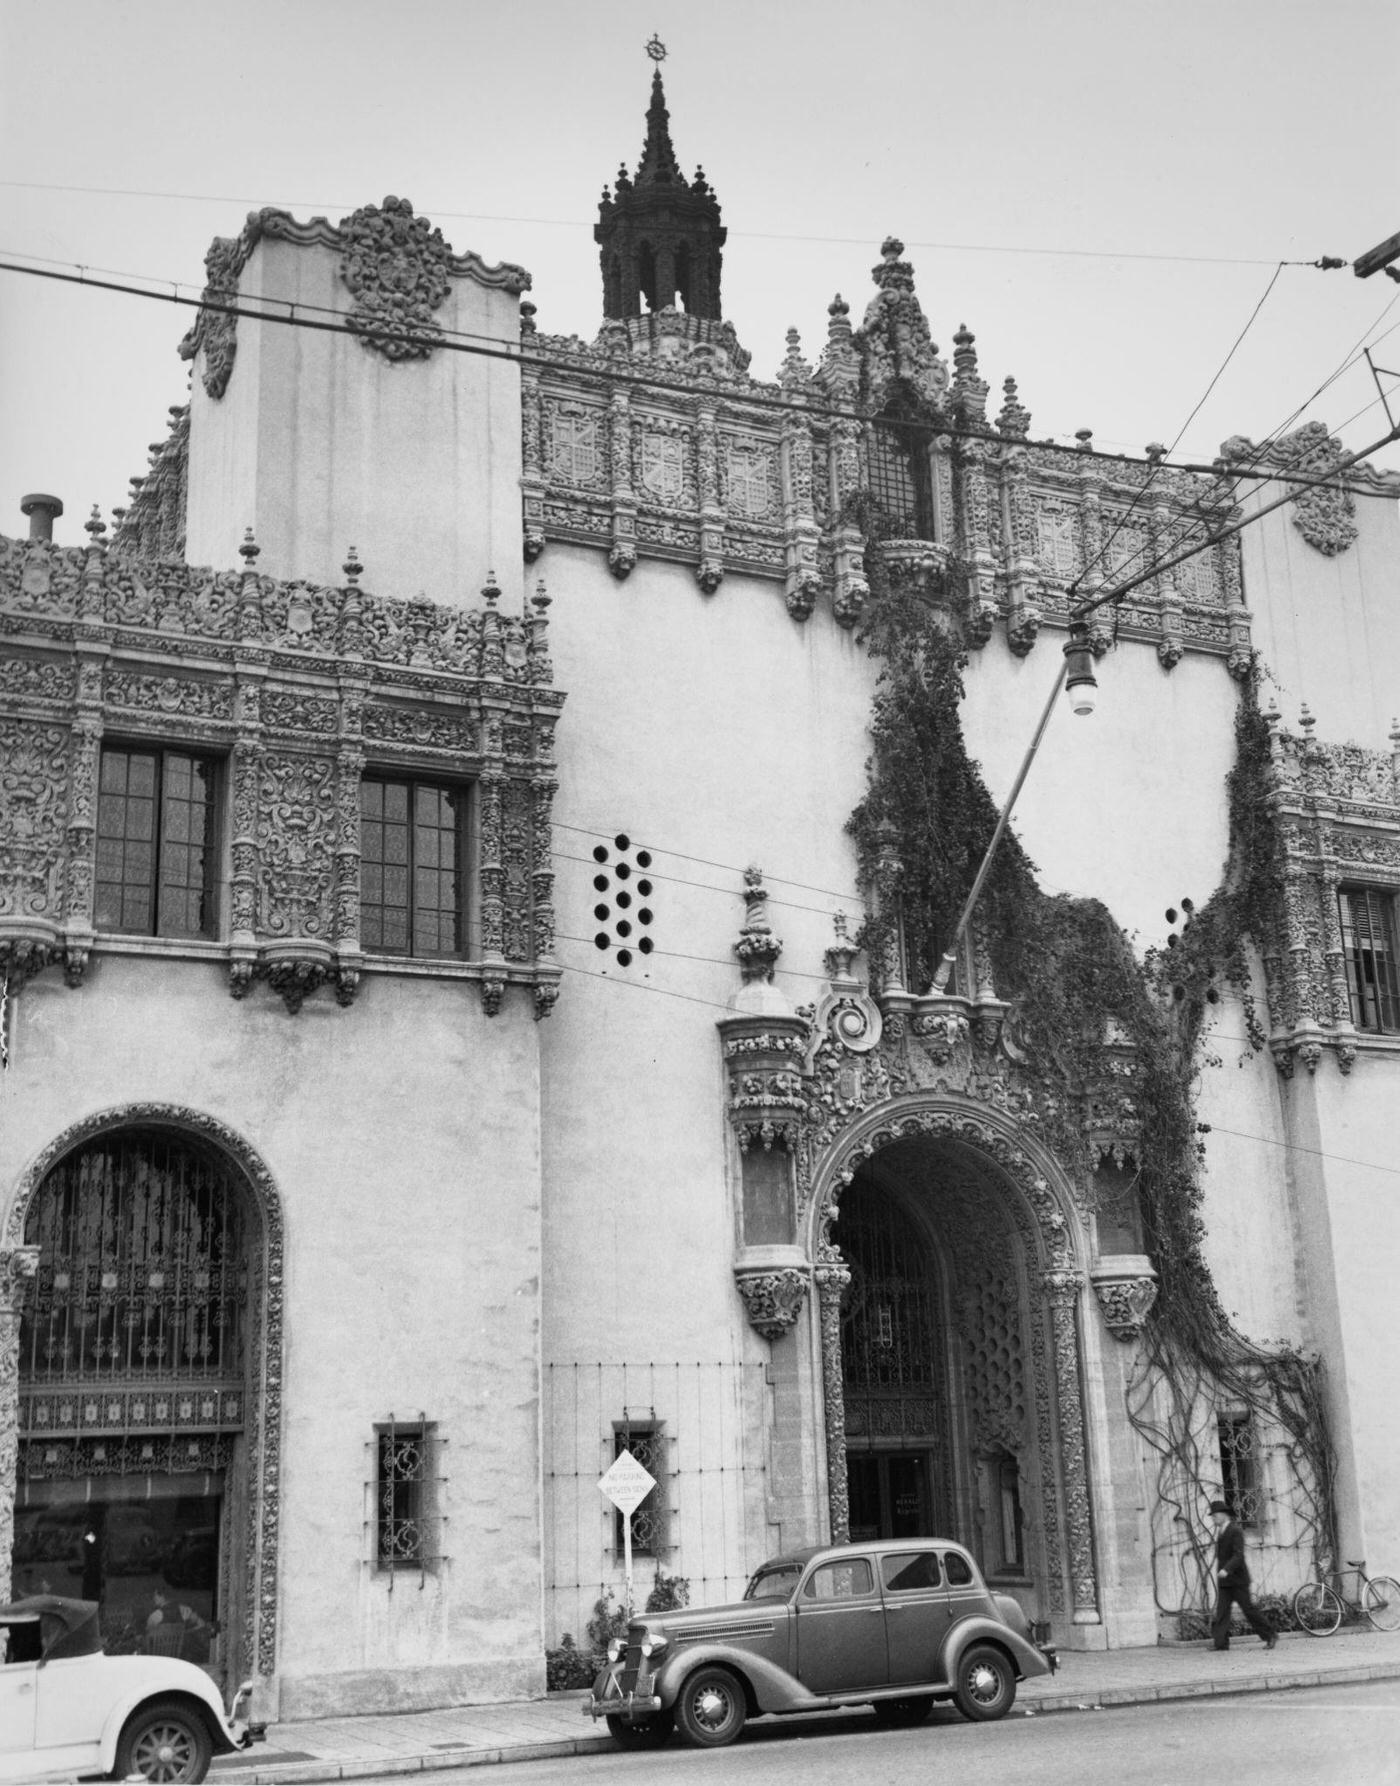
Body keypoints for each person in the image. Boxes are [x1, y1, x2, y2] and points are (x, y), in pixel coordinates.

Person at [1209, 1499, 1276, 1651]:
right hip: (1225, 1582)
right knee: (1222, 1612)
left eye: (1215, 1515)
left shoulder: (1235, 1531)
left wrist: (1226, 1569)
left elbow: (1239, 1555)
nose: (1213, 1518)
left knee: (1248, 1610)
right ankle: (1220, 1644)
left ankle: (1270, 1635)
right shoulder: (1221, 1532)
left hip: (1238, 1580)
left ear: (1224, 1515)